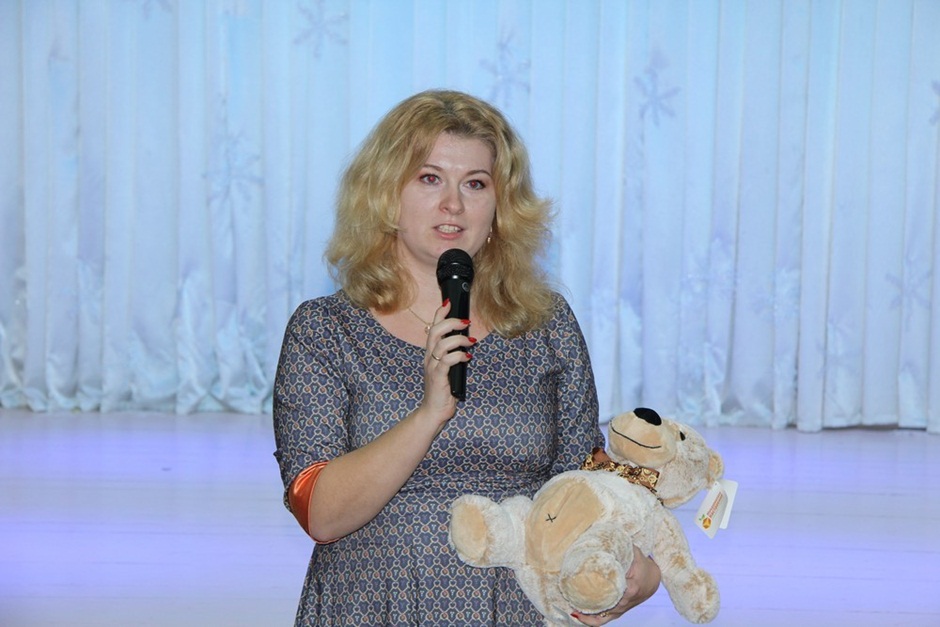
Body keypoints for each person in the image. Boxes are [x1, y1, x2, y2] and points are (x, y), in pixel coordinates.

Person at [272, 89, 661, 626]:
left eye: (475, 184)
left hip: (516, 610)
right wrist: (430, 413)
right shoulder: (325, 331)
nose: (453, 204)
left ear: (501, 207)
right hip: (375, 605)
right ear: (386, 194)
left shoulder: (545, 325)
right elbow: (320, 513)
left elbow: (583, 490)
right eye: (429, 178)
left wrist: (642, 572)